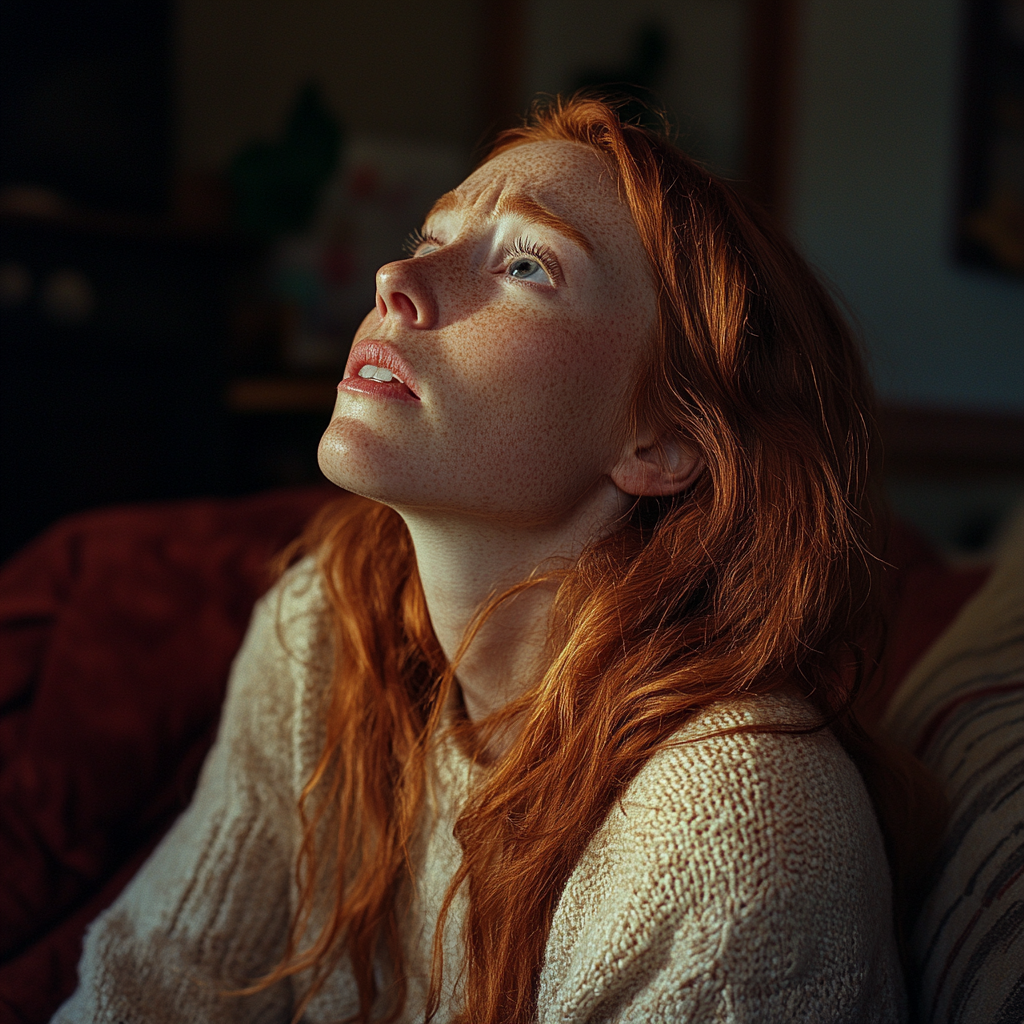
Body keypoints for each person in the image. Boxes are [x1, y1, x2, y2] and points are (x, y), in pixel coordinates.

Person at [54, 96, 926, 1023]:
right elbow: (156, 982)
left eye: (525, 263)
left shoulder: (730, 839)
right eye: (427, 235)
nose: (398, 276)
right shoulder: (327, 627)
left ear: (663, 440)